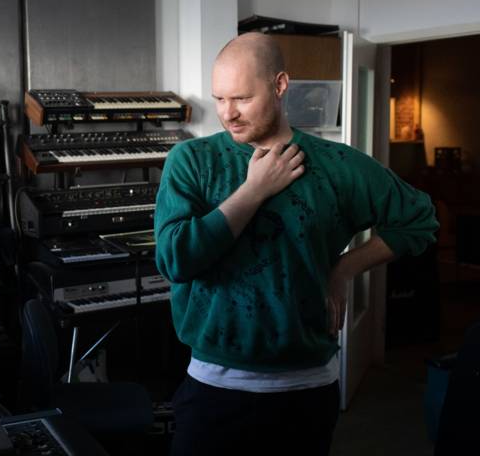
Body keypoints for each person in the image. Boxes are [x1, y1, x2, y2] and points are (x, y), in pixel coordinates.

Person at [154, 32, 438, 455]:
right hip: (215, 386)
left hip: (306, 389)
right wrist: (253, 191)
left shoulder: (338, 165)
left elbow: (419, 220)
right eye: (219, 99)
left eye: (242, 99)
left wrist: (344, 268)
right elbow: (176, 259)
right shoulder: (193, 160)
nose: (227, 114)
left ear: (280, 85)